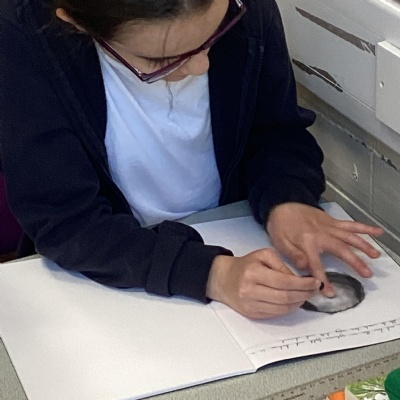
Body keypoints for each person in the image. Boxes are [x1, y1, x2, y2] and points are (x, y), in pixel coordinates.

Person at [0, 0, 384, 319]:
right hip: (108, 271)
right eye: (164, 60)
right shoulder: (22, 39)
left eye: (216, 35)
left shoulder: (243, 6)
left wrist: (287, 198)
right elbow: (67, 223)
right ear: (75, 21)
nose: (202, 66)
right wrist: (210, 273)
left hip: (235, 235)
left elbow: (275, 131)